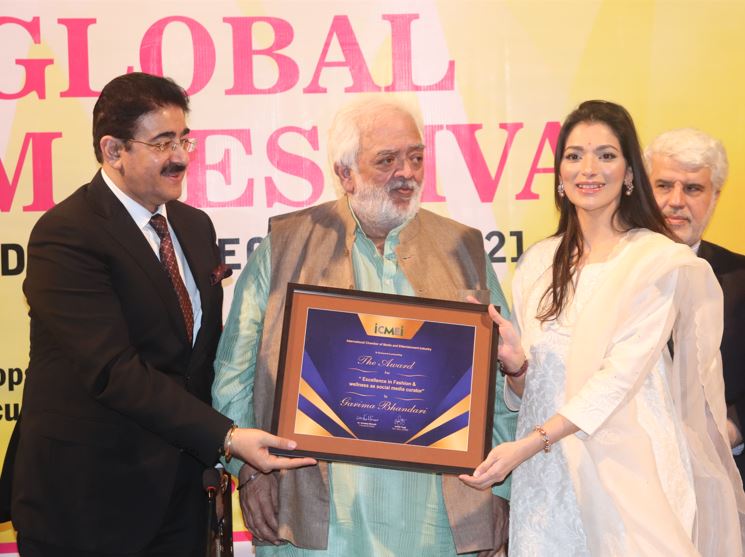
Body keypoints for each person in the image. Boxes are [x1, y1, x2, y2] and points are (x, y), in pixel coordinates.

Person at [8, 72, 314, 557]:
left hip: (184, 496)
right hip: (88, 502)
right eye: (163, 143)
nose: (181, 157)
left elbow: (202, 361)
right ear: (113, 150)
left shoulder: (193, 226)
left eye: (184, 139)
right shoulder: (65, 235)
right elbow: (113, 371)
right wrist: (228, 437)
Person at [212, 96, 516, 556]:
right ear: (345, 173)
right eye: (387, 160)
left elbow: (501, 383)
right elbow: (234, 377)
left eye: (416, 157)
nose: (407, 173)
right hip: (315, 517)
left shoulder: (462, 249)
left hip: (437, 521)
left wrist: (500, 489)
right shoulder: (284, 247)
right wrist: (250, 472)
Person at [460, 100, 745, 556]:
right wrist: (515, 367)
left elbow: (618, 379)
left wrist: (526, 447)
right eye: (574, 155)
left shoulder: (656, 259)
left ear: (630, 173)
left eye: (605, 155)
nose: (588, 169)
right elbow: (532, 390)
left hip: (628, 475)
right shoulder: (536, 263)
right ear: (559, 172)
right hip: (548, 480)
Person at [646, 128, 745, 479]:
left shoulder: (741, 277)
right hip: (629, 481)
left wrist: (732, 429)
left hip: (725, 476)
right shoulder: (606, 274)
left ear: (715, 196)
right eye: (663, 185)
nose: (676, 201)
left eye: (692, 188)